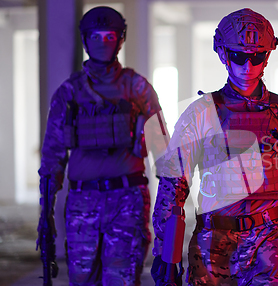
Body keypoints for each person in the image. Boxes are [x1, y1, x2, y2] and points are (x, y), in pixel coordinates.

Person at [151, 8, 278, 286]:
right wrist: (166, 251)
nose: (248, 66)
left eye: (257, 57)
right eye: (239, 56)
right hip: (213, 244)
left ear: (267, 56)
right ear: (223, 54)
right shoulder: (201, 114)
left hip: (269, 244)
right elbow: (173, 188)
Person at [38, 6, 161, 285]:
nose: (103, 43)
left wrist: (169, 214)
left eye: (109, 36)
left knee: (123, 279)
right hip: (83, 203)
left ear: (120, 39)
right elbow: (52, 159)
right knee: (82, 280)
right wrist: (45, 214)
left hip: (127, 199)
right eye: (96, 36)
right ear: (85, 40)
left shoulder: (137, 88)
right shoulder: (69, 92)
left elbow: (163, 150)